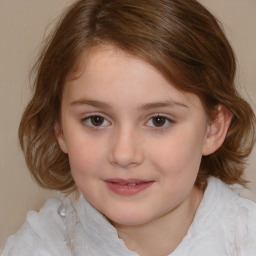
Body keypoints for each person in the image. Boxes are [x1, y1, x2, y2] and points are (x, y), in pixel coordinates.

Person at [2, 0, 256, 255]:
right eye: (97, 120)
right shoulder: (37, 247)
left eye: (159, 120)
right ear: (59, 128)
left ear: (213, 128)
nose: (124, 154)